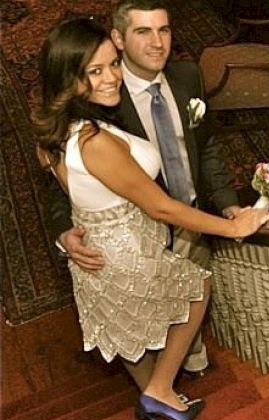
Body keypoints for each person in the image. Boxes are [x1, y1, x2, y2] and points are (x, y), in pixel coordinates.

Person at [33, 18, 269, 420]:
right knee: (197, 288)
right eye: (95, 71)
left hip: (97, 255)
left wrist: (69, 231)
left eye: (112, 65)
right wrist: (234, 227)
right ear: (70, 79)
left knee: (128, 330)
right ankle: (160, 390)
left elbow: (76, 190)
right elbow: (161, 208)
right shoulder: (96, 141)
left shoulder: (51, 136)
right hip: (127, 251)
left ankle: (153, 399)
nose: (112, 79)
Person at [47, 0, 238, 374]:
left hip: (193, 214)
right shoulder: (102, 103)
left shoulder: (187, 77)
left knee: (192, 294)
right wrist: (63, 233)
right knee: (146, 318)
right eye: (142, 32)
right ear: (118, 38)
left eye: (164, 30)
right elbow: (63, 175)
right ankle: (162, 384)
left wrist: (228, 202)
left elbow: (208, 144)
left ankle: (190, 366)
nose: (157, 43)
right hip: (142, 233)